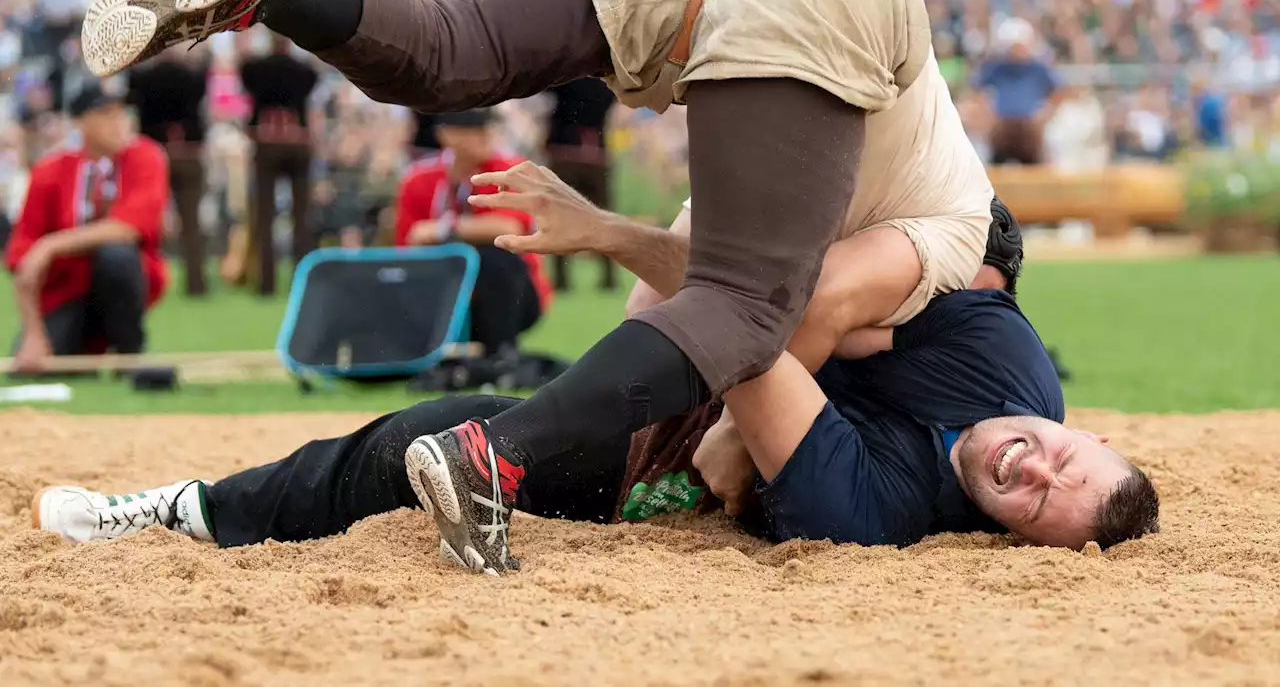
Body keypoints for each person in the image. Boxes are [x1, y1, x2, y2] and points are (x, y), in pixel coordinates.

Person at [80, 0, 991, 573]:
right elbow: (785, 315)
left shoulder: (788, 179)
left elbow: (670, 309)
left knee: (439, 48)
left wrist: (606, 239)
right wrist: (718, 431)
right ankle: (493, 455)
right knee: (751, 308)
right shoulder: (961, 227)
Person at [31, 215, 1158, 556]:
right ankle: (197, 505)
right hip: (688, 382)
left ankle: (186, 511)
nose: (1030, 463)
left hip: (644, 465)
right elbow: (942, 237)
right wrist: (612, 234)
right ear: (1081, 427)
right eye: (1063, 452)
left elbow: (754, 331)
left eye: (1033, 499)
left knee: (414, 442)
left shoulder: (880, 511)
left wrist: (820, 334)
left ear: (1015, 536)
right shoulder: (1006, 365)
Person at [5, 78, 170, 374]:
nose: (119, 122)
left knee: (116, 254)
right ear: (80, 123)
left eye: (121, 112)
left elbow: (130, 227)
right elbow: (21, 259)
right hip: (68, 291)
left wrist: (51, 244)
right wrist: (33, 332)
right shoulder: (50, 172)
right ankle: (80, 351)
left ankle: (130, 354)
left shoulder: (146, 156)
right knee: (32, 367)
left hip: (123, 285)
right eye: (105, 114)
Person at [395, 109, 551, 358]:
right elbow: (408, 243)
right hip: (440, 290)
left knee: (498, 259)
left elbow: (509, 228)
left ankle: (498, 354)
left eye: (488, 127)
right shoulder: (419, 179)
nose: (486, 135)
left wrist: (444, 229)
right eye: (474, 128)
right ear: (445, 134)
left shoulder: (509, 171)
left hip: (513, 294)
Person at [238, 34, 320, 296]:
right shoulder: (303, 71)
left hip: (266, 142)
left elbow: (244, 71)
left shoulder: (257, 69)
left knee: (264, 214)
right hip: (298, 142)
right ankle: (304, 279)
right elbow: (312, 80)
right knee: (302, 215)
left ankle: (266, 282)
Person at [126, 45, 209, 295]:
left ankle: (143, 280)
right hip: (188, 153)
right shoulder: (193, 78)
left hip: (153, 156)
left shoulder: (143, 78)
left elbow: (131, 92)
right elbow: (205, 75)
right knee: (191, 222)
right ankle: (196, 284)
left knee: (145, 221)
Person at [542, 77, 617, 292]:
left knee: (559, 216)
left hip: (563, 151)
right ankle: (609, 277)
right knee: (604, 217)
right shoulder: (606, 83)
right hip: (597, 153)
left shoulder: (564, 77)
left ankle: (562, 279)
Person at [974, 18, 1062, 166]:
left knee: (1036, 168)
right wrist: (987, 116)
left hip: (1029, 128)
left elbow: (1058, 92)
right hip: (1003, 127)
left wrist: (1044, 116)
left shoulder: (1038, 69)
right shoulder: (996, 68)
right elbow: (976, 91)